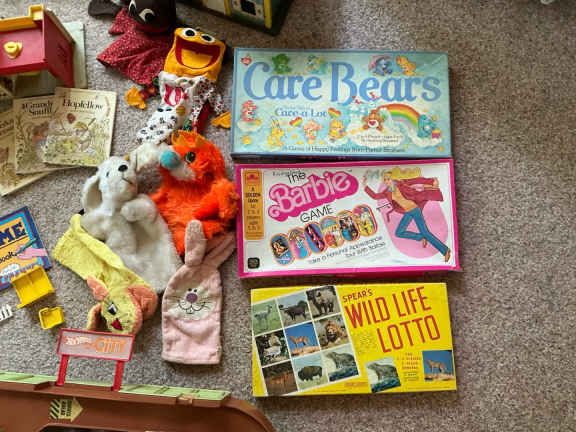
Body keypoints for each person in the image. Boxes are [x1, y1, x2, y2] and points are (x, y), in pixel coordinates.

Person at [363, 171, 451, 262]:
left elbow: (416, 180)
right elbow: (375, 196)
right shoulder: (387, 192)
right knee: (399, 232)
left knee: (425, 232)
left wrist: (431, 181)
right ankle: (420, 237)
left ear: (392, 179)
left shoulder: (402, 183)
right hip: (407, 212)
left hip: (415, 209)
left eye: (388, 179)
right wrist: (365, 186)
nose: (387, 181)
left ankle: (445, 250)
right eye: (385, 180)